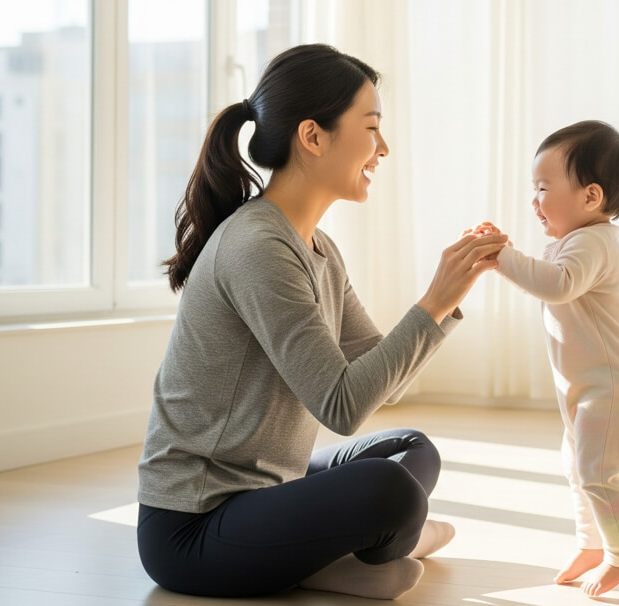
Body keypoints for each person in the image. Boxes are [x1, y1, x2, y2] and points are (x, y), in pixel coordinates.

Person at [136, 43, 508, 600]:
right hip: (192, 528)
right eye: (371, 127)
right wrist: (432, 300)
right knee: (391, 490)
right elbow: (342, 406)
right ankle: (343, 551)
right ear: (313, 136)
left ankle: (317, 558)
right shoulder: (258, 245)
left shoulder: (319, 250)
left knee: (412, 449)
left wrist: (447, 301)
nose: (383, 147)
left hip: (269, 486)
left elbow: (383, 377)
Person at [470, 120, 619, 598]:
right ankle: (591, 545)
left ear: (591, 197)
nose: (533, 201)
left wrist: (502, 257)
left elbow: (558, 285)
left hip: (617, 389)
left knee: (598, 473)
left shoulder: (593, 243)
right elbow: (551, 276)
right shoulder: (575, 241)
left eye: (542, 188)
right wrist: (510, 253)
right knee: (578, 468)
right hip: (595, 389)